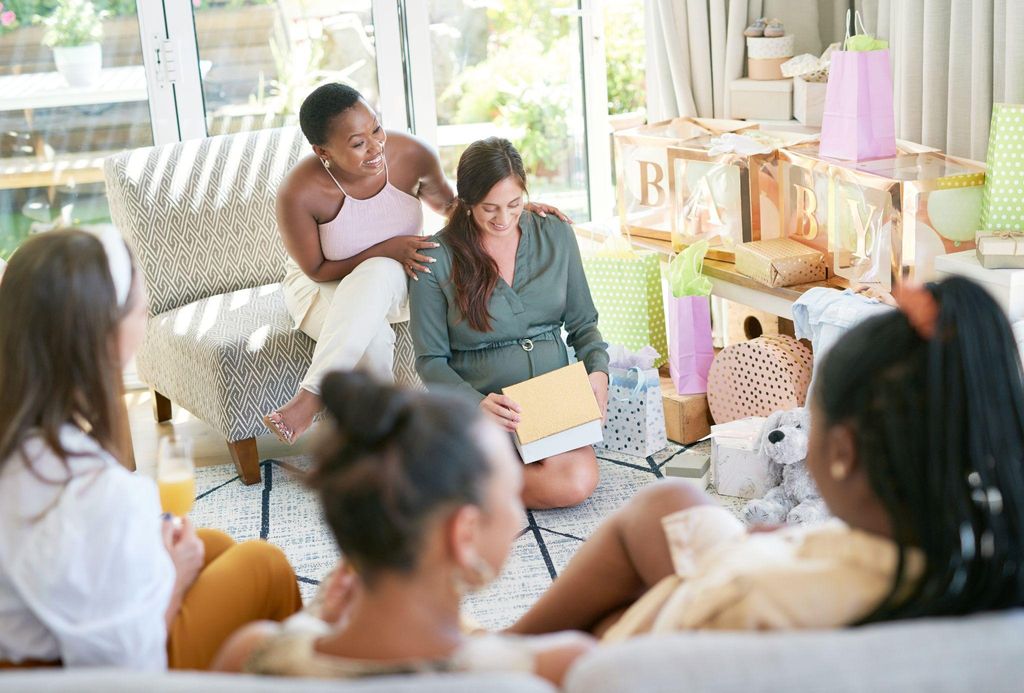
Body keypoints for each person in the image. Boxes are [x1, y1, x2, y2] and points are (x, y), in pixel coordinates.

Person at [507, 276, 1024, 637]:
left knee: (640, 546)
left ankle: (501, 648)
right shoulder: (985, 543)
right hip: (811, 560)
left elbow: (621, 656)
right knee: (672, 502)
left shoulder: (753, 597)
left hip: (744, 586)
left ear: (840, 453)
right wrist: (807, 543)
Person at [0, 229, 303, 671]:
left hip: (35, 632)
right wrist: (173, 579)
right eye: (137, 304)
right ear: (104, 333)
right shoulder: (94, 491)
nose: (146, 305)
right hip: (72, 672)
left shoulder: (24, 437)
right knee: (266, 563)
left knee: (214, 544)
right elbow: (125, 665)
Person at [214, 372, 594, 685]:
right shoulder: (550, 669)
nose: (517, 514)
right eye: (512, 492)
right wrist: (479, 638)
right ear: (464, 535)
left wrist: (316, 620)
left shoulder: (252, 653)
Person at [264, 83, 566, 444]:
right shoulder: (299, 192)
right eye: (359, 143)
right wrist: (387, 246)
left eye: (376, 129)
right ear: (322, 151)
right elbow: (316, 269)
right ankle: (382, 440)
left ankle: (312, 397)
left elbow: (456, 209)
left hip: (397, 279)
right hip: (321, 285)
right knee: (372, 338)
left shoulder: (411, 154)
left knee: (379, 272)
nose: (376, 147)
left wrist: (509, 206)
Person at [408, 138, 608, 510]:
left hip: (550, 400)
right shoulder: (434, 260)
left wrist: (599, 373)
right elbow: (430, 360)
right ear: (466, 202)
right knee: (547, 478)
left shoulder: (556, 234)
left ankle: (459, 485)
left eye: (514, 204)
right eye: (489, 208)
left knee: (577, 481)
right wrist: (478, 403)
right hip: (483, 405)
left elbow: (584, 325)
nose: (503, 219)